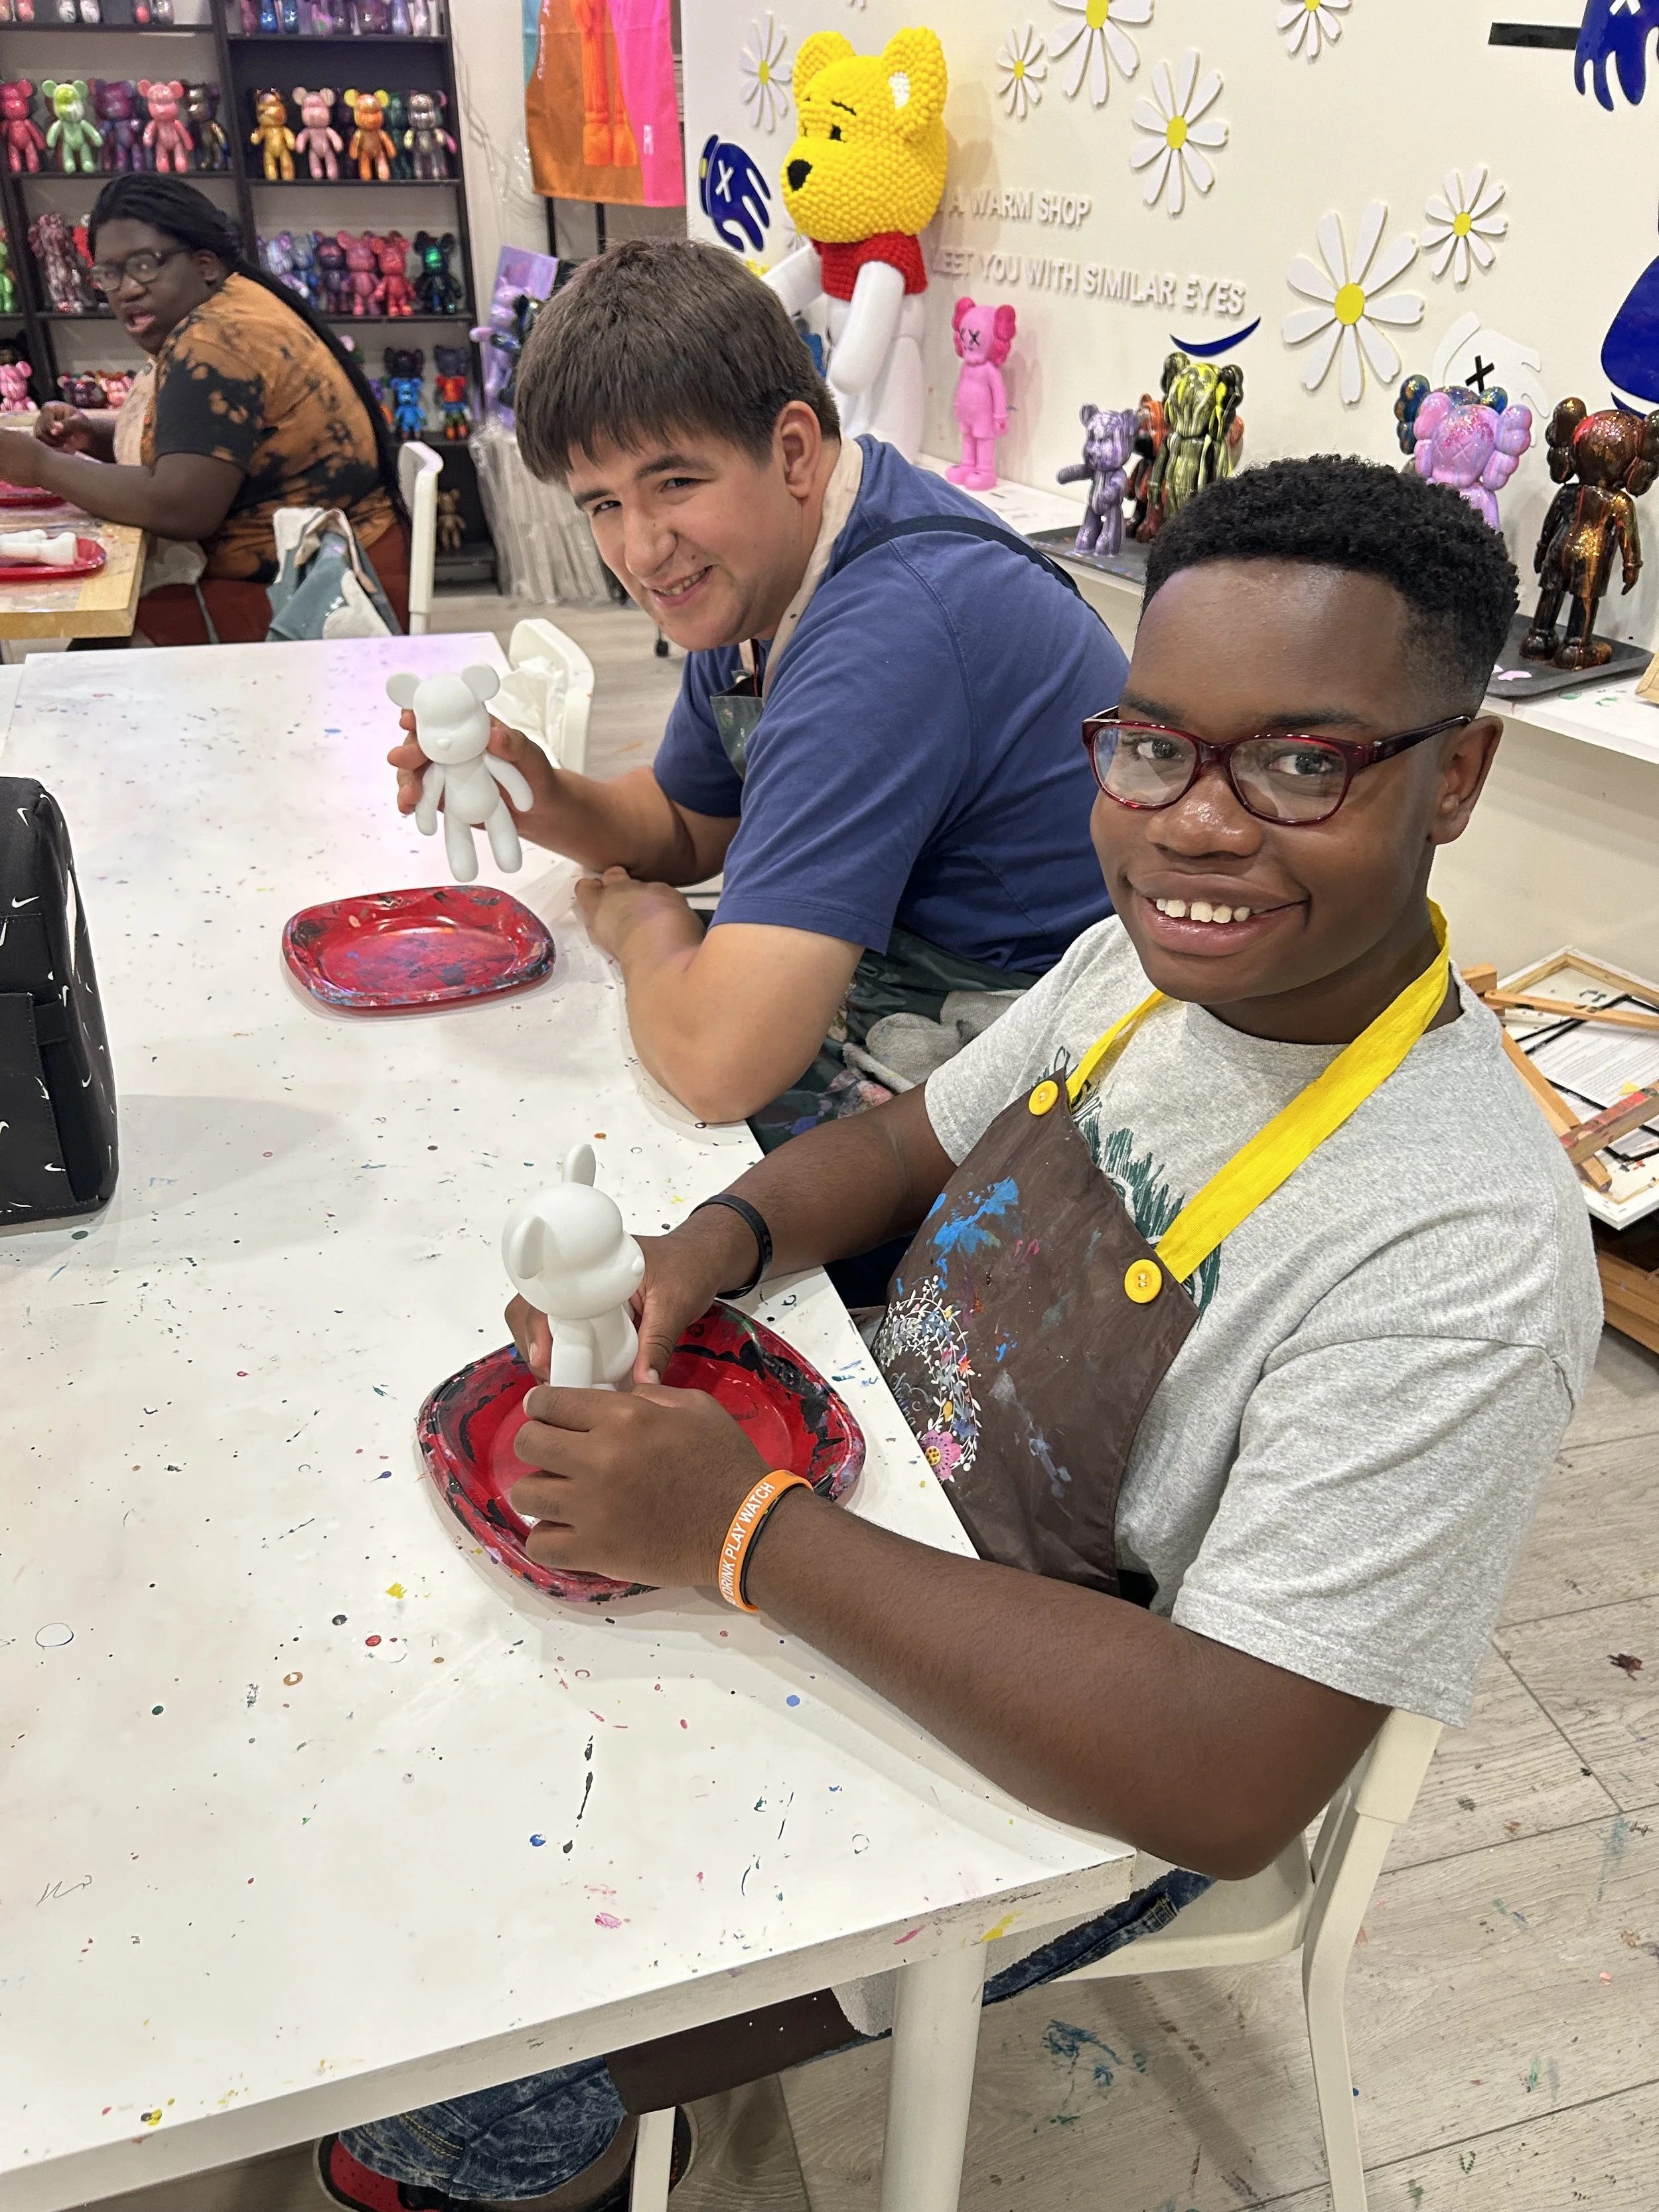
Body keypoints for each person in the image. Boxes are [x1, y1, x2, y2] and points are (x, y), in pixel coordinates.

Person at [319, 459, 1601, 2212]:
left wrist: (744, 1531)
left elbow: (1224, 1771)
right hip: (880, 1511)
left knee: (456, 2030)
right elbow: (906, 1144)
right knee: (404, 1736)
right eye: (1149, 746)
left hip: (1090, 1752)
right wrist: (713, 1242)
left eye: (1302, 762)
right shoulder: (1144, 967)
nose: (1195, 828)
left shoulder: (1457, 1248)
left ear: (1454, 772)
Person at [388, 238, 1127, 1145]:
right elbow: (691, 821)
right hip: (898, 979)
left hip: (1042, 1078)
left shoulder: (885, 635)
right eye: (603, 504)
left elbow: (719, 1063)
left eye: (674, 484)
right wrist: (537, 787)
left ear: (792, 452)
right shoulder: (773, 564)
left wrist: (647, 929)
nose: (642, 549)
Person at [0, 176, 408, 644]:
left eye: (146, 265)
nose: (127, 289)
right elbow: (206, 446)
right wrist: (94, 436)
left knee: (92, 651)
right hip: (327, 564)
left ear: (205, 264)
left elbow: (182, 507)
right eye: (109, 274)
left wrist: (37, 464)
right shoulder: (236, 306)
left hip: (320, 596)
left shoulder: (215, 342)